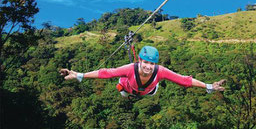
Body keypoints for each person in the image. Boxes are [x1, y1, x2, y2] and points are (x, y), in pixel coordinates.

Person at [60, 46, 226, 98]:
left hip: (149, 91)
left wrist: (209, 86)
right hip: (127, 88)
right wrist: (79, 74)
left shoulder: (160, 71)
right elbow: (105, 73)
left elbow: (185, 80)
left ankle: (146, 90)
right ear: (139, 61)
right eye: (145, 62)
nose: (148, 66)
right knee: (123, 91)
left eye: (152, 63)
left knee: (152, 91)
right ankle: (123, 87)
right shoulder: (129, 68)